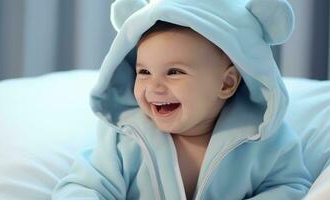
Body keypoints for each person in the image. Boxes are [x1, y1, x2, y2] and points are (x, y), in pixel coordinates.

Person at [52, 0, 312, 199]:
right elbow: (83, 186)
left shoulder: (263, 140)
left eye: (174, 72)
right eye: (143, 72)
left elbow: (289, 187)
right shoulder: (125, 137)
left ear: (227, 83)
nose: (154, 86)